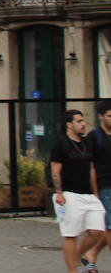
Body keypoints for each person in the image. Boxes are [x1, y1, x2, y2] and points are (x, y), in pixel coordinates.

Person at [52, 108, 104, 273]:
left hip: (88, 194)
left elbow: (91, 169)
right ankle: (72, 270)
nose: (83, 124)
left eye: (83, 121)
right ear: (69, 125)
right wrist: (59, 193)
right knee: (71, 234)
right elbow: (55, 170)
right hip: (69, 193)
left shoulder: (87, 142)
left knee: (97, 231)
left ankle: (76, 257)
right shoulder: (61, 143)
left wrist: (95, 193)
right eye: (79, 121)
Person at [82, 100, 111, 273]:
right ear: (101, 117)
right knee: (109, 227)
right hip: (105, 185)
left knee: (105, 228)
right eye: (110, 116)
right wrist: (94, 192)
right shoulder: (95, 137)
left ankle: (90, 254)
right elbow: (90, 166)